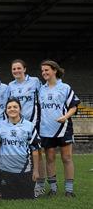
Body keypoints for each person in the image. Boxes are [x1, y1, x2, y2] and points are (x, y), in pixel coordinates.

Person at [38, 60, 80, 197]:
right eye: (42, 70)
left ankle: (69, 190)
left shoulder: (65, 87)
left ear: (54, 70)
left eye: (46, 70)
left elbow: (74, 106)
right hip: (46, 129)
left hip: (63, 128)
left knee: (66, 157)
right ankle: (53, 189)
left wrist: (65, 117)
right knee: (49, 158)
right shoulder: (41, 89)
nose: (44, 72)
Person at [7, 59, 46, 197]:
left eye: (19, 68)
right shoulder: (10, 86)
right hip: (18, 124)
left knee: (37, 153)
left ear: (24, 69)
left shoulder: (35, 81)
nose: (16, 71)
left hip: (33, 122)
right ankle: (18, 181)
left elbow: (44, 95)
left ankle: (40, 185)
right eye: (14, 69)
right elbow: (9, 105)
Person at [0, 98, 41, 199]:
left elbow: (35, 149)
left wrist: (36, 170)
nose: (12, 109)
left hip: (24, 170)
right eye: (9, 107)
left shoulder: (29, 126)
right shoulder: (0, 125)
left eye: (15, 107)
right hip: (5, 170)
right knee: (8, 199)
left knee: (26, 198)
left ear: (20, 109)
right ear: (6, 110)